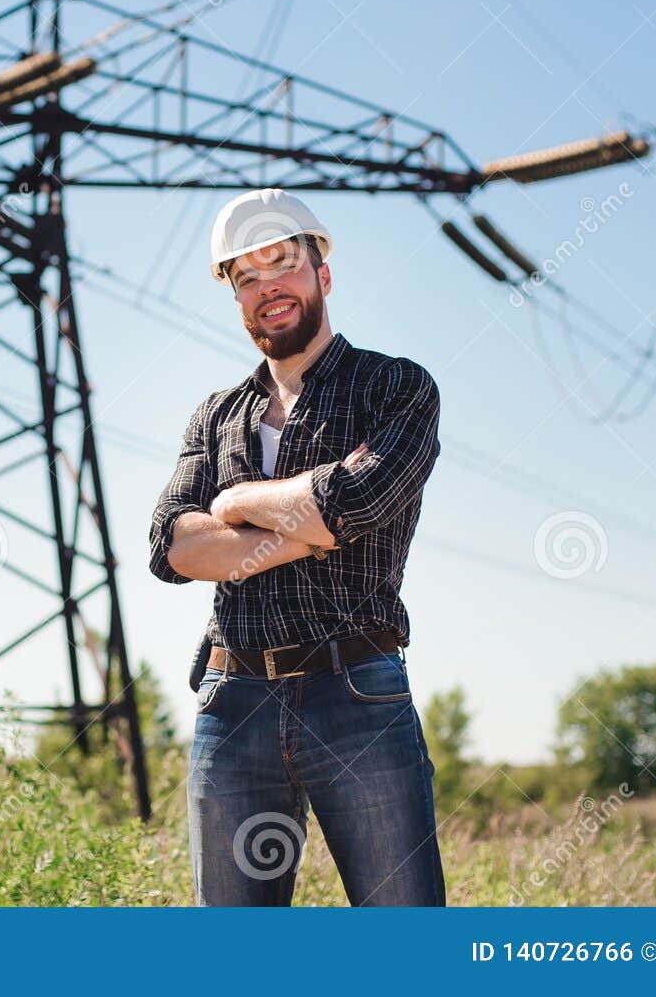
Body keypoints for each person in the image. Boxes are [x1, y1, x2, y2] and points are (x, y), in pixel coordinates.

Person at [147, 187, 446, 906]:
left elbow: (360, 500)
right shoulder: (215, 414)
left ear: (323, 272)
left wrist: (237, 502)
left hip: (357, 692)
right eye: (244, 277)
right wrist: (311, 523)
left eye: (280, 264)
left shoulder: (394, 386)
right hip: (234, 698)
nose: (265, 289)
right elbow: (172, 546)